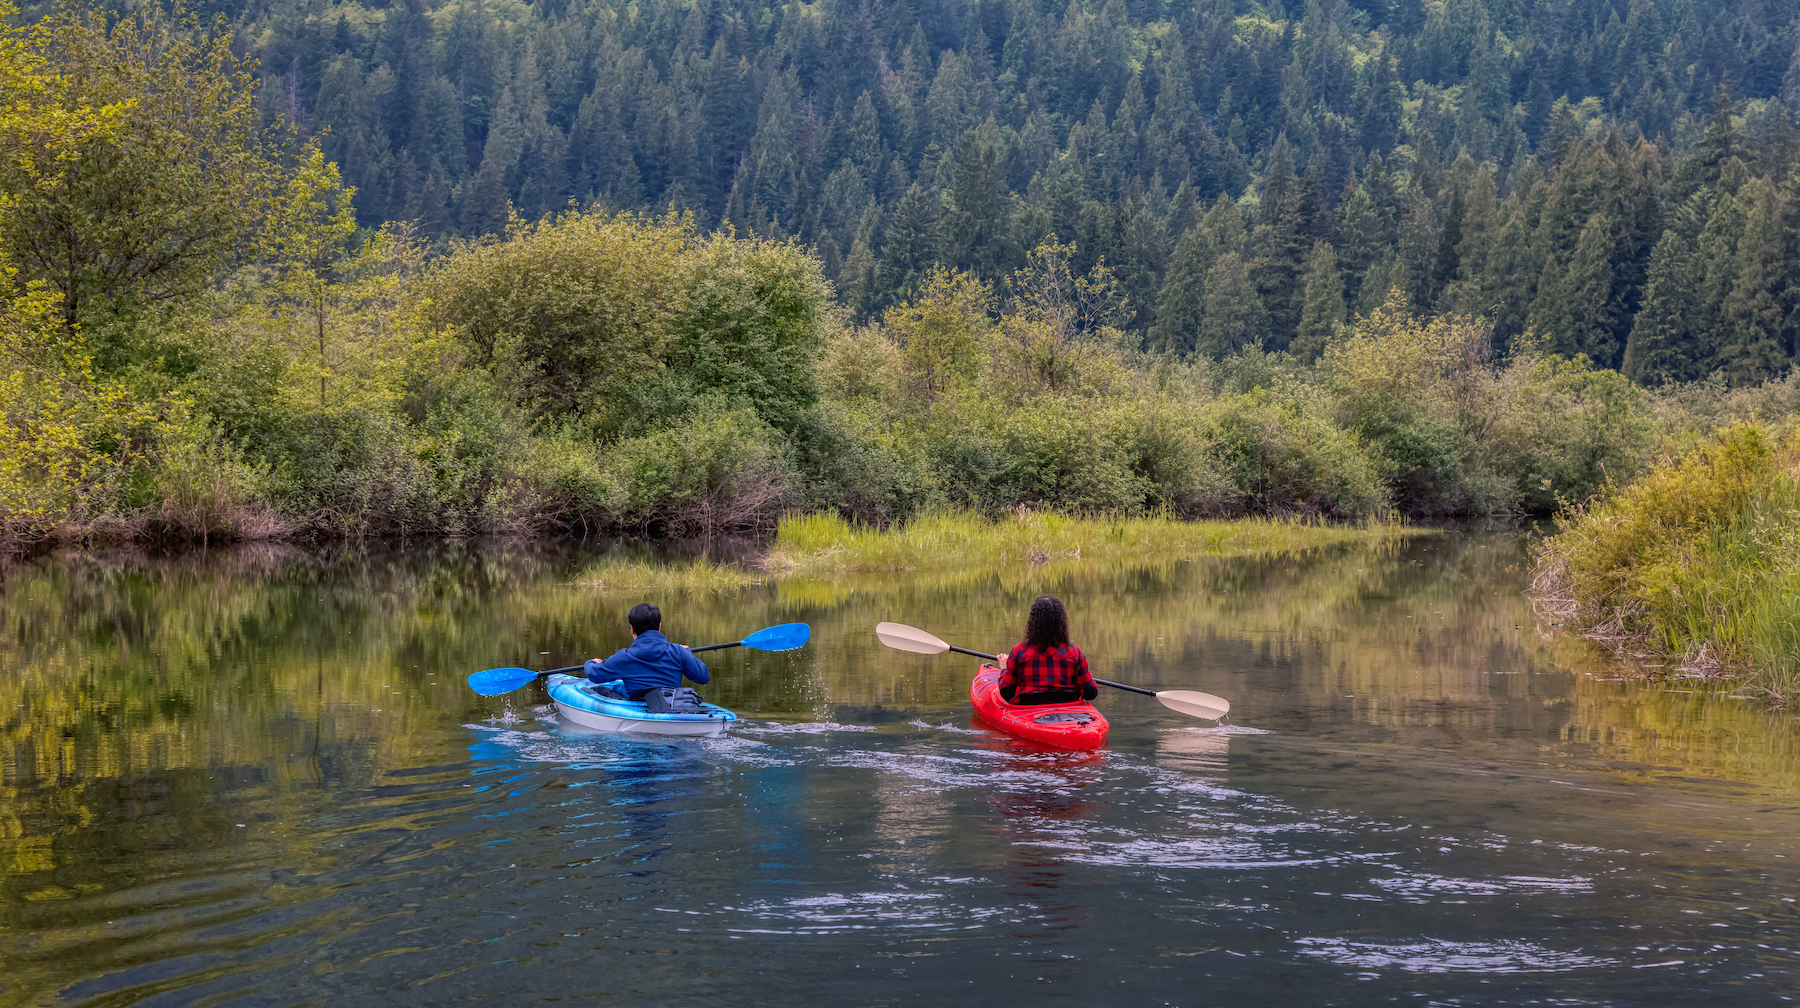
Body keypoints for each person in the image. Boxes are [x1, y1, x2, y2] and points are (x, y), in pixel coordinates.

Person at [584, 602, 712, 700]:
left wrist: (592, 662)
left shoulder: (624, 657)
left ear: (632, 629)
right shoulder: (678, 652)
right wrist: (686, 652)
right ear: (659, 626)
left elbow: (594, 675)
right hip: (669, 703)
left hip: (637, 702)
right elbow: (703, 677)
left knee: (602, 689)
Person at [997, 594, 1098, 705]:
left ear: (1033, 621)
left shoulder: (1019, 652)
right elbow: (1090, 693)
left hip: (1028, 708)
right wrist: (1089, 677)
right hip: (1067, 709)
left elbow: (1007, 692)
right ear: (1061, 622)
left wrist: (1004, 669)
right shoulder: (1075, 653)